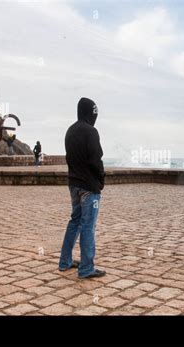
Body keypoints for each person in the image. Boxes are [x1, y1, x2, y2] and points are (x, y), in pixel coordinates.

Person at [59, 97, 106, 279]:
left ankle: (65, 261)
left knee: (75, 221)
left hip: (74, 184)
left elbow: (70, 158)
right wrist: (100, 180)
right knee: (88, 225)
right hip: (89, 187)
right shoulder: (91, 132)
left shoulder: (70, 131)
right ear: (90, 113)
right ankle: (86, 268)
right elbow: (96, 160)